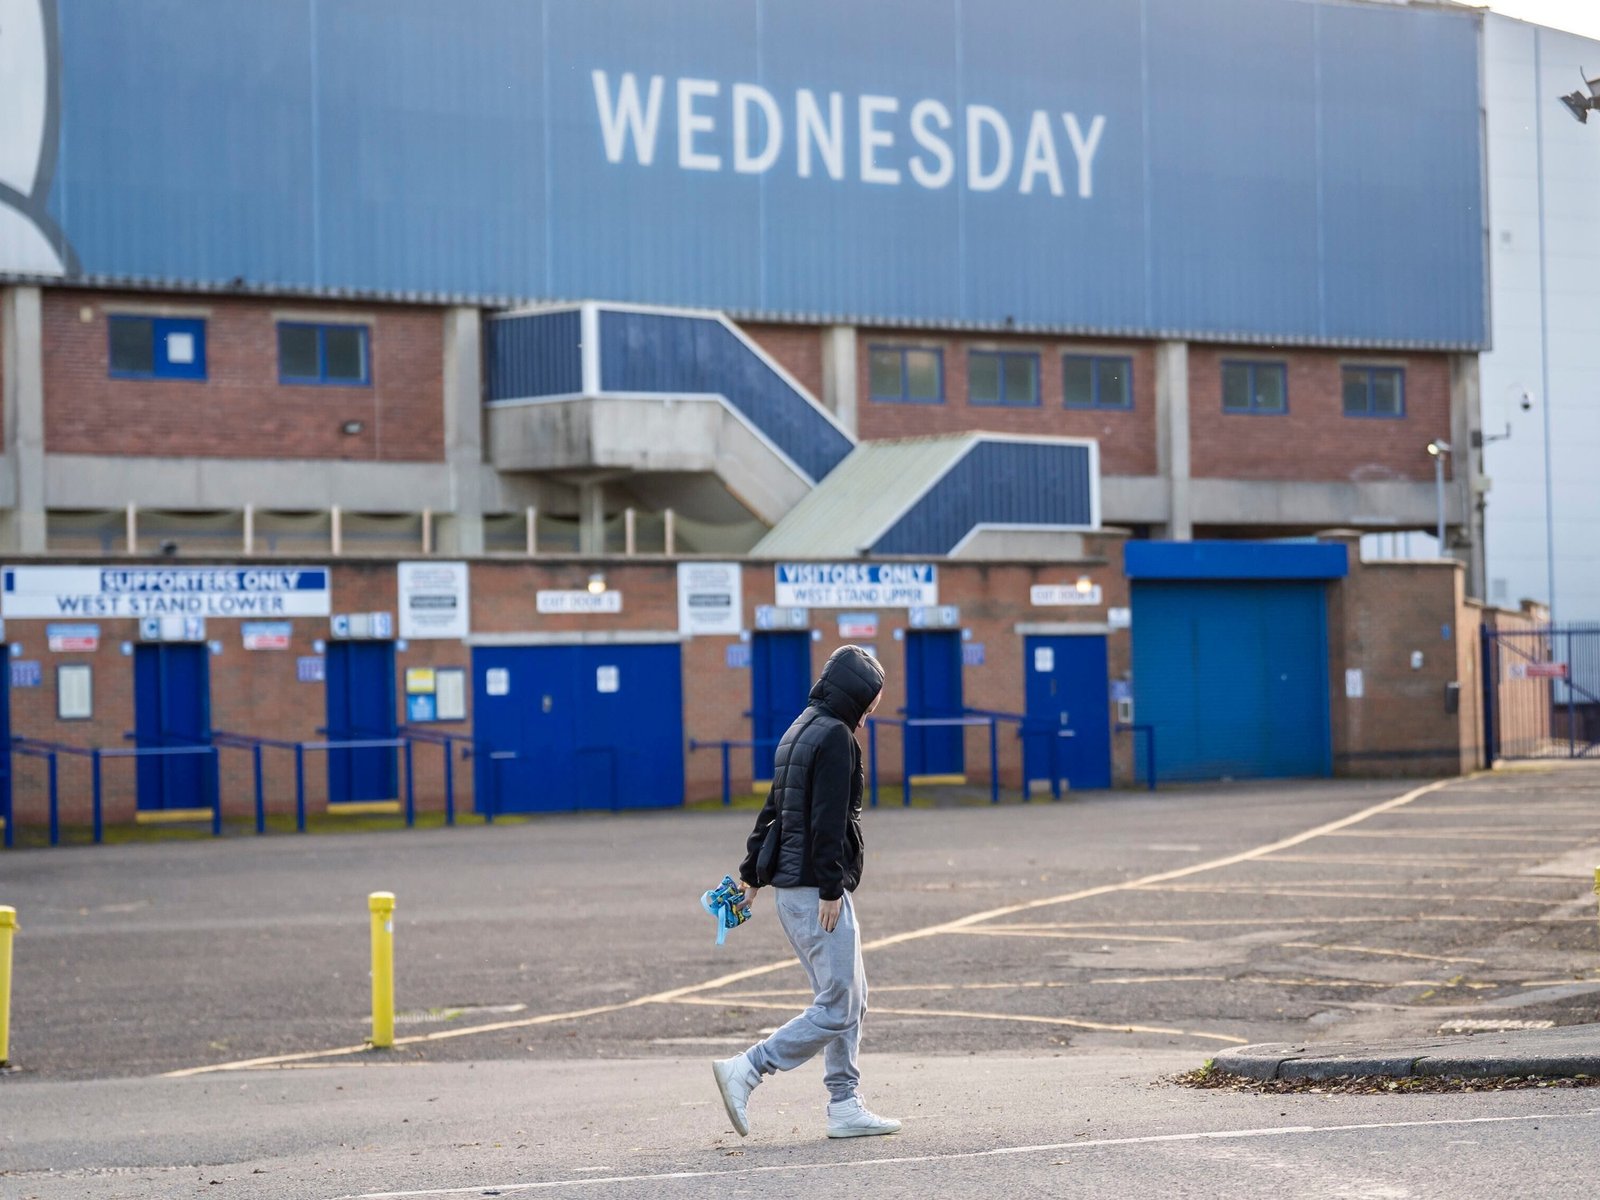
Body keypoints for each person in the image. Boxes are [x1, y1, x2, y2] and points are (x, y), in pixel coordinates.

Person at [712, 644, 901, 1140]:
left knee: (850, 999)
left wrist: (751, 878)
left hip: (795, 890)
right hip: (817, 890)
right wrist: (832, 888)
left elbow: (772, 811)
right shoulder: (836, 737)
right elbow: (827, 821)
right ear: (857, 693)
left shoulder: (799, 728)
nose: (875, 707)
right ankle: (748, 1069)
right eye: (874, 697)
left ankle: (844, 1103)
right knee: (839, 1005)